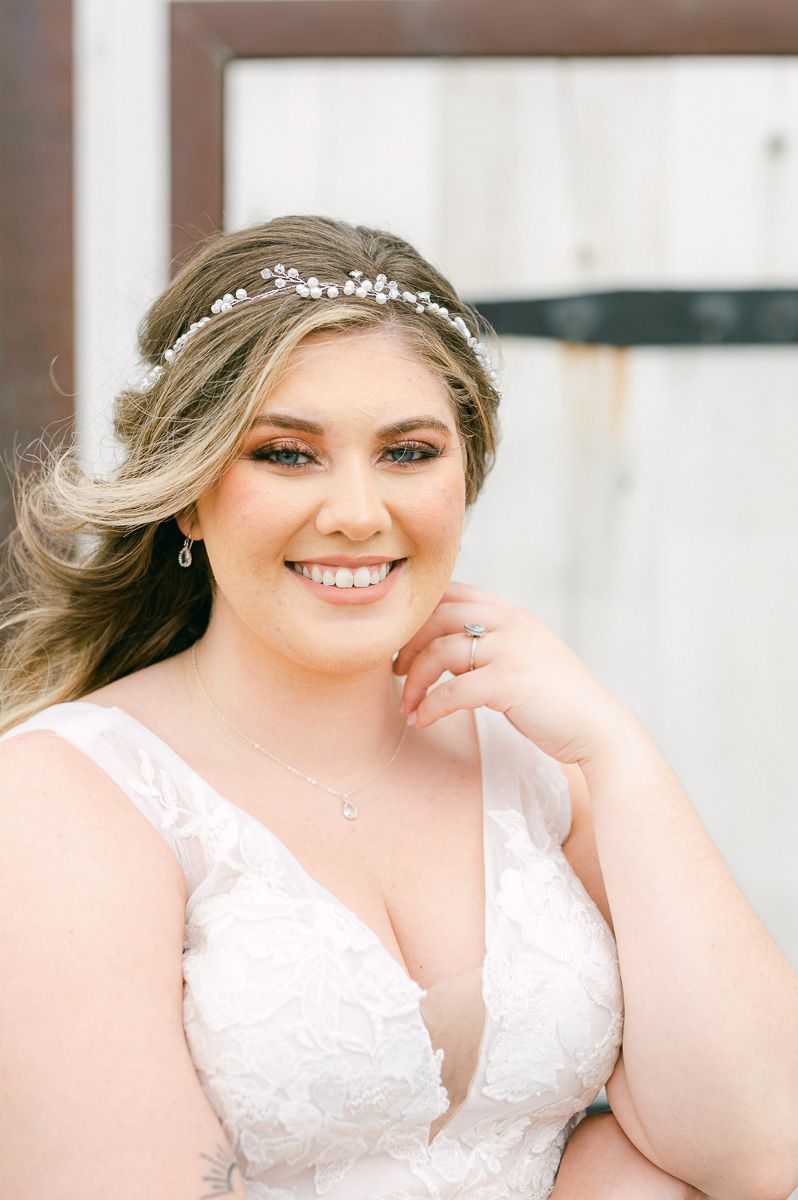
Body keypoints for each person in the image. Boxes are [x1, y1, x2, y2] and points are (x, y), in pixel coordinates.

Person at [0, 214, 796, 1200]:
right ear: (190, 494)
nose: (358, 512)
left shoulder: (534, 755)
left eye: (409, 452)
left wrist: (618, 757)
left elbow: (764, 1147)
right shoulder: (62, 800)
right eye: (287, 454)